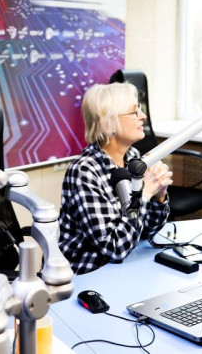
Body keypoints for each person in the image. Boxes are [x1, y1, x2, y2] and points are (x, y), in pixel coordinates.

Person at [59, 82, 173, 274]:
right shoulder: (84, 171)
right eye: (134, 112)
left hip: (123, 268)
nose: (143, 116)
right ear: (109, 122)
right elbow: (114, 248)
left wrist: (159, 196)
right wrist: (144, 195)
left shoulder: (133, 157)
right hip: (88, 275)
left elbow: (145, 232)